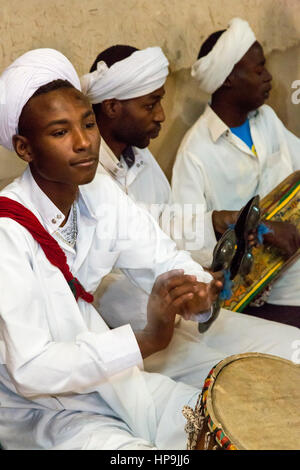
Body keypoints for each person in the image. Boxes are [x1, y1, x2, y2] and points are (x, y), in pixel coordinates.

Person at [0, 47, 224, 450]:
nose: (84, 142)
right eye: (60, 132)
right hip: (41, 411)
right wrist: (146, 340)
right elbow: (30, 369)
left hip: (112, 383)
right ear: (24, 148)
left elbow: (161, 256)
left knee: (217, 417)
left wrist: (195, 291)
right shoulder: (8, 232)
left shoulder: (98, 190)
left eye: (88, 123)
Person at [78, 44, 300, 392]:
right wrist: (187, 287)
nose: (162, 116)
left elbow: (165, 226)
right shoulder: (85, 177)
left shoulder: (140, 160)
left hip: (185, 304)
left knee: (290, 349)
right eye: (150, 104)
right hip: (133, 325)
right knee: (247, 380)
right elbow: (115, 274)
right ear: (111, 107)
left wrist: (218, 223)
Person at [172, 17, 300, 327]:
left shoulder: (266, 120)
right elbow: (187, 238)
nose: (269, 77)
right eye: (258, 70)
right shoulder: (195, 153)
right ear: (228, 78)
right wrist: (262, 231)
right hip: (259, 299)